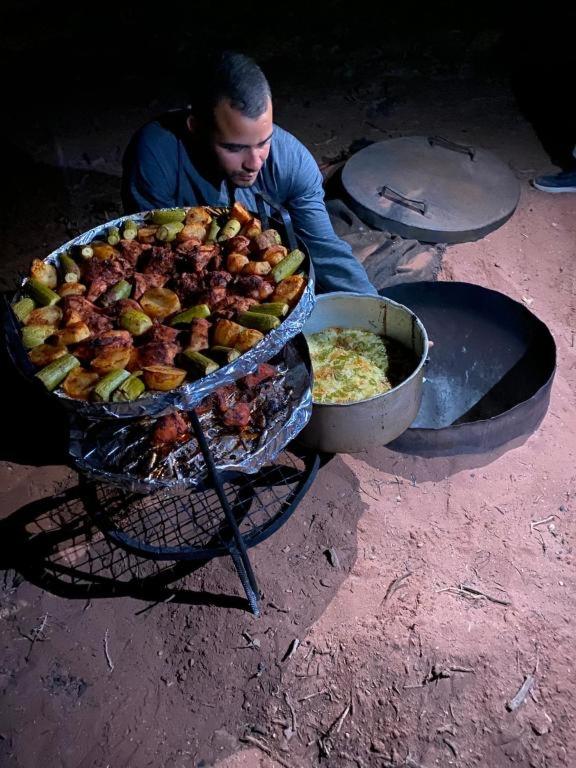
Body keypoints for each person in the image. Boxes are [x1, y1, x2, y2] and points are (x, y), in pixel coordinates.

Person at [121, 51, 376, 295]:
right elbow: (151, 259)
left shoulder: (292, 162)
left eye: (264, 142)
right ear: (196, 129)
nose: (254, 163)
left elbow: (325, 252)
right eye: (234, 148)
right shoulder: (156, 156)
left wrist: (375, 309)